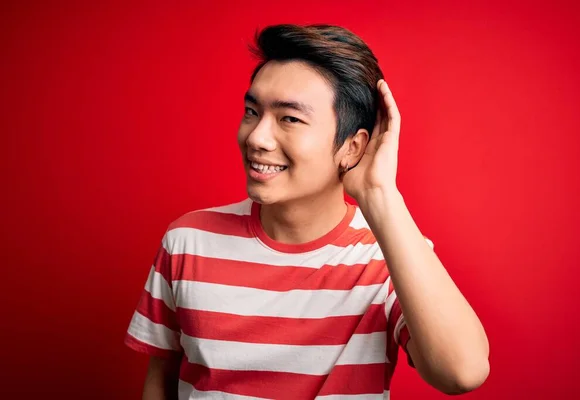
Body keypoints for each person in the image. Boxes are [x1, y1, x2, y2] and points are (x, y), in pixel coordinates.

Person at [125, 24, 490, 400]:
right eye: (252, 111)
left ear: (352, 147)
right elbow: (162, 377)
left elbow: (461, 373)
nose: (256, 138)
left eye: (290, 119)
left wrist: (380, 193)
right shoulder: (188, 241)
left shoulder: (393, 254)